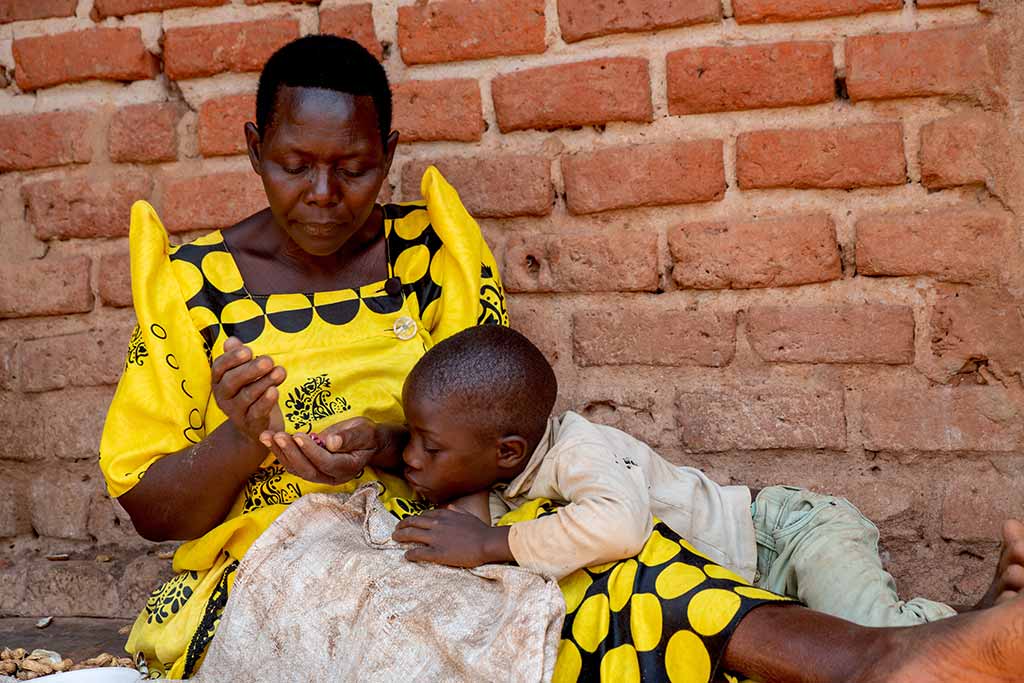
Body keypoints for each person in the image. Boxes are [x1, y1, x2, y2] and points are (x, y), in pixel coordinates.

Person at [99, 35, 508, 678]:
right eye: (295, 165)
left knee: (633, 580)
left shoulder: (429, 257)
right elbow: (152, 511)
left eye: (354, 169)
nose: (324, 192)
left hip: (438, 537)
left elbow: (500, 438)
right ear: (256, 150)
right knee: (388, 631)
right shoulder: (193, 288)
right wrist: (245, 437)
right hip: (280, 566)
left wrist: (382, 444)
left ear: (388, 155)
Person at [388, 326, 1023, 624]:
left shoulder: (580, 454)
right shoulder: (506, 476)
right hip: (752, 580)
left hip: (790, 537)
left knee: (879, 646)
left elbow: (616, 527)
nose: (412, 459)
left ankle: (989, 622)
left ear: (507, 451)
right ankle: (985, 614)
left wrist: (490, 545)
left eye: (428, 446)